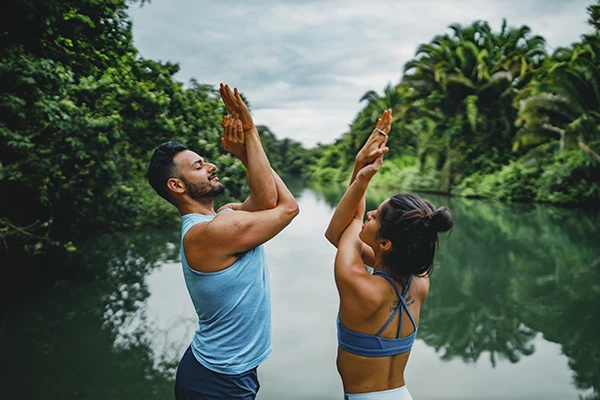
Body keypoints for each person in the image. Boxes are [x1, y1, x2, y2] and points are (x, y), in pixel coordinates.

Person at [147, 83, 299, 400]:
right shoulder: (207, 234)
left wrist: (248, 152)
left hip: (230, 372)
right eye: (198, 166)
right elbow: (288, 208)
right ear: (176, 185)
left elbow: (267, 199)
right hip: (215, 382)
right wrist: (250, 134)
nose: (211, 165)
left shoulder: (224, 217)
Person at [325, 109, 453, 400]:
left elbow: (339, 231)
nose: (369, 213)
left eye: (377, 216)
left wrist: (361, 172)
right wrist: (360, 171)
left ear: (385, 244)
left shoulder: (359, 285)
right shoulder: (420, 283)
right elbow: (354, 225)